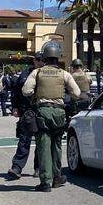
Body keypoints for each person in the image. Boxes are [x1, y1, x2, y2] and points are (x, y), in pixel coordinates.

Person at [22, 41, 80, 192]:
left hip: (43, 111)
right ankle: (57, 177)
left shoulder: (37, 72)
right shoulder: (64, 74)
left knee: (43, 146)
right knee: (57, 146)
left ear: (45, 57)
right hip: (59, 112)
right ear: (58, 57)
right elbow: (77, 93)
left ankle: (45, 182)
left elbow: (26, 91)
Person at [5, 56, 41, 181]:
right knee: (24, 140)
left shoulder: (47, 72)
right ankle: (17, 167)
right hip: (27, 111)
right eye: (37, 59)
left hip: (41, 110)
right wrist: (15, 107)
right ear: (34, 60)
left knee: (41, 142)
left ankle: (39, 167)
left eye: (42, 59)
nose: (39, 61)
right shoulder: (26, 73)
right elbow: (16, 91)